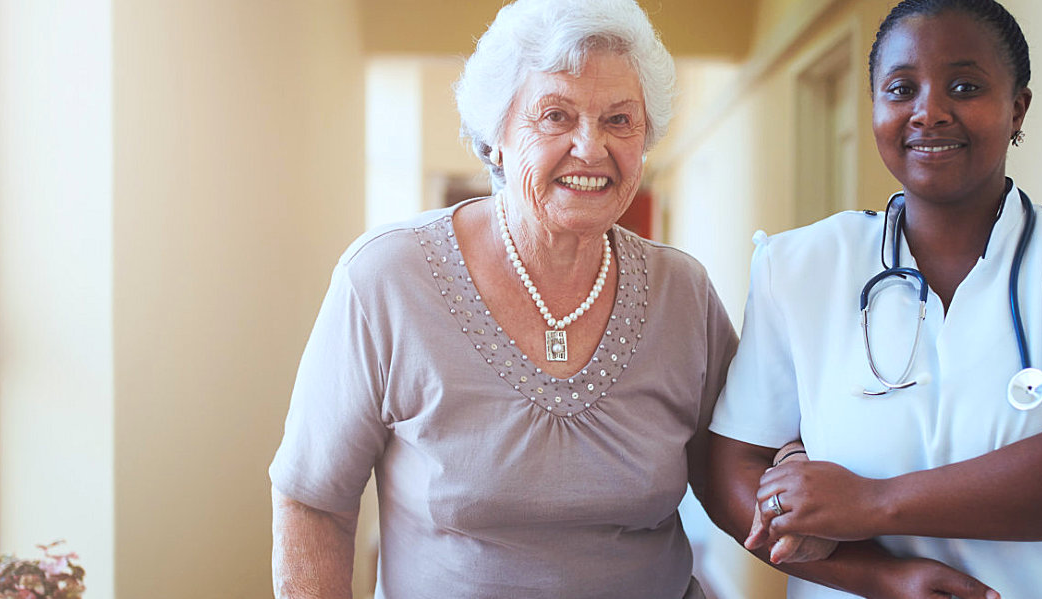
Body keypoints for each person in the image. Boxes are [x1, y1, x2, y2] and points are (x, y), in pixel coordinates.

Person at [703, 1, 1042, 597]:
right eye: (901, 89)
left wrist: (875, 503)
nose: (929, 112)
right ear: (873, 108)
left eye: (965, 86)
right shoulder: (799, 267)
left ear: (1017, 108)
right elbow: (731, 471)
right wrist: (881, 578)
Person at [268, 0, 734, 597]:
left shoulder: (683, 294)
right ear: (496, 139)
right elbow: (315, 502)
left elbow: (735, 469)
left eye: (620, 120)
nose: (591, 148)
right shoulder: (386, 279)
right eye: (555, 115)